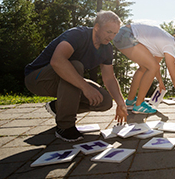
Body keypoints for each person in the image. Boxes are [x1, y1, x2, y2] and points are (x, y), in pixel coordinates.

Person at [24, 11, 128, 142]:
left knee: (105, 101)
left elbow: (109, 78)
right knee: (75, 66)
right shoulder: (77, 35)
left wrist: (120, 103)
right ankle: (65, 126)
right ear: (97, 27)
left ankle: (58, 107)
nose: (111, 37)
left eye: (115, 33)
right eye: (108, 32)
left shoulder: (106, 49)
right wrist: (85, 87)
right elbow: (57, 61)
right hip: (37, 79)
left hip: (65, 81)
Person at [113, 23, 175, 114]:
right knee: (151, 67)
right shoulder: (170, 46)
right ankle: (139, 104)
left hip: (122, 34)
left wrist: (160, 82)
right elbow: (174, 77)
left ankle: (130, 101)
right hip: (127, 35)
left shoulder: (166, 44)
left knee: (144, 68)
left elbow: (155, 65)